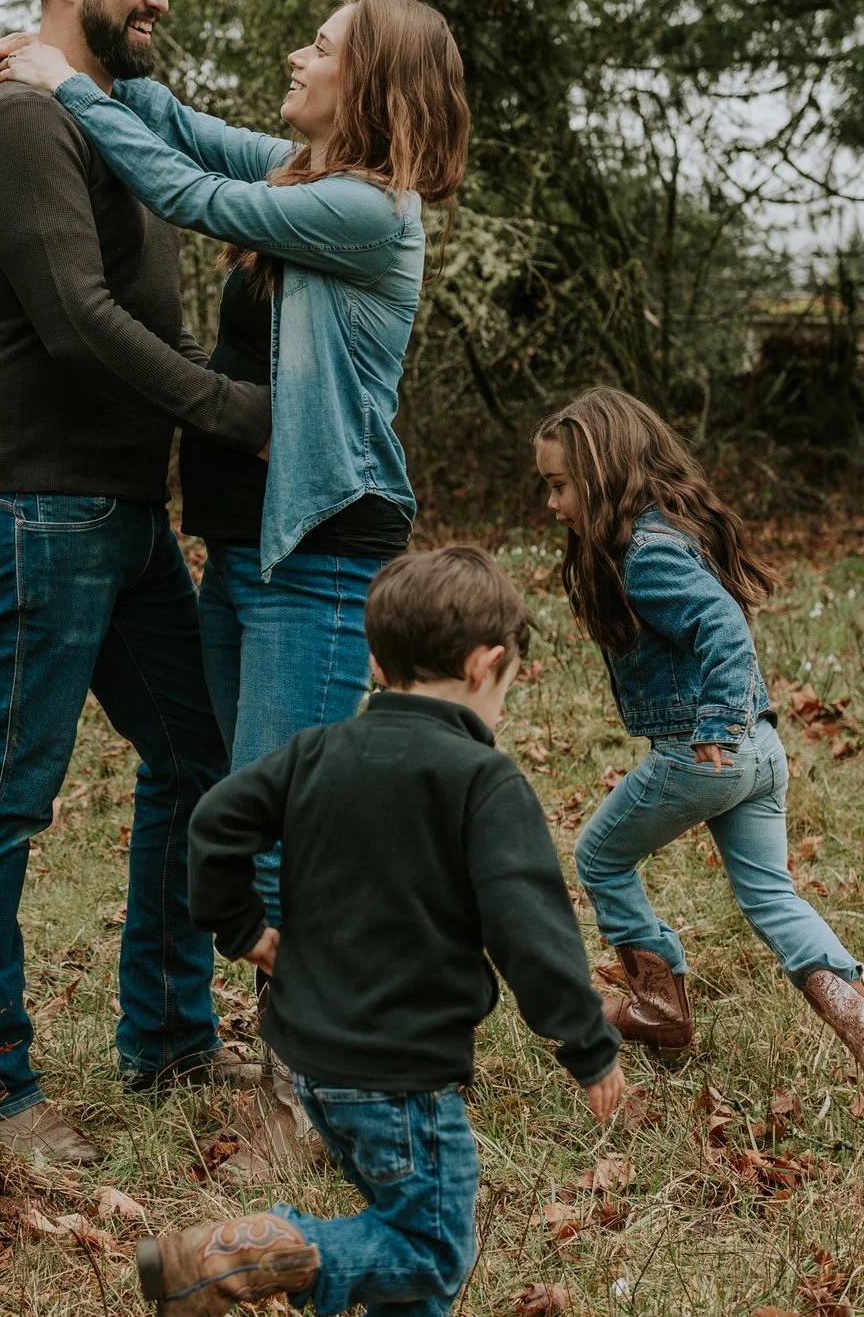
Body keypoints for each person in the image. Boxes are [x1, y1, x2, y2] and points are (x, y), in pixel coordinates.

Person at [0, 0, 470, 1171]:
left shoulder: (366, 209)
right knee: (211, 798)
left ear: (371, 85)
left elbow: (188, 192)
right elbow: (184, 127)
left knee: (275, 841)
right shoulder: (311, 172)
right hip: (245, 548)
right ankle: (183, 1039)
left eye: (323, 44)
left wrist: (61, 92)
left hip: (318, 557)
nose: (295, 51)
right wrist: (67, 54)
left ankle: (308, 1106)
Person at [0, 0, 271, 1167]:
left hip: (122, 518)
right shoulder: (22, 123)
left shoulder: (110, 112)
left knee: (198, 757)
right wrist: (232, 410)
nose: (160, 0)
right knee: (8, 798)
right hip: (39, 510)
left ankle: (171, 1033)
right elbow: (74, 316)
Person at [136, 546, 627, 1317]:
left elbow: (215, 820)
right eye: (508, 683)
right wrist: (588, 1043)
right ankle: (256, 1249)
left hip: (311, 1063)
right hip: (402, 1079)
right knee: (431, 1250)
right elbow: (530, 924)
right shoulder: (482, 780)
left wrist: (245, 931)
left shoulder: (319, 751)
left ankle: (273, 1253)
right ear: (484, 665)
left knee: (399, 1246)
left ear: (374, 657)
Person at [535, 386, 864, 1143]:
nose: (552, 504)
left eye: (559, 484)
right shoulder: (671, 533)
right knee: (773, 897)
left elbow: (722, 629)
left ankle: (660, 1005)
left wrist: (712, 721)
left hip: (705, 749)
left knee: (599, 855)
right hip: (762, 750)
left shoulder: (645, 555)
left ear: (604, 471)